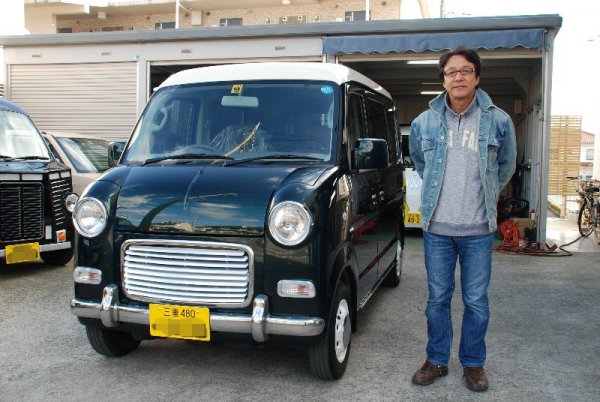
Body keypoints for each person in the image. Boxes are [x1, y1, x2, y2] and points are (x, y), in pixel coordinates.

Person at [408, 46, 517, 392]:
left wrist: (487, 196)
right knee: (437, 299)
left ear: (477, 77)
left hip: (478, 229)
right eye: (452, 71)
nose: (459, 76)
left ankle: (473, 363)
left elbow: (507, 166)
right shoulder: (424, 122)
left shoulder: (498, 120)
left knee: (476, 301)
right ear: (443, 79)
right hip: (437, 229)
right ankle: (437, 359)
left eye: (466, 70)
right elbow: (420, 164)